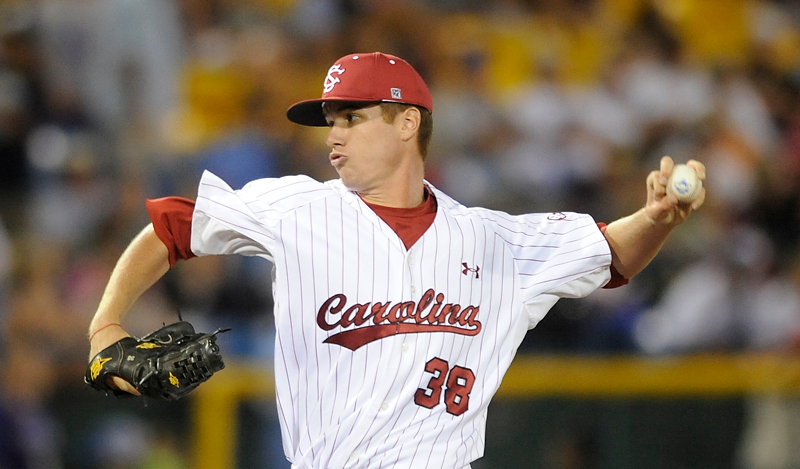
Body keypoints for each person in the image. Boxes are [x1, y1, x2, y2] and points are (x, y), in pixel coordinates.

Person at [87, 51, 706, 468]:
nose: (333, 136)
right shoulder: (299, 208)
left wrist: (656, 218)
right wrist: (104, 326)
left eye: (352, 119)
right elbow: (170, 227)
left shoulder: (495, 241)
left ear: (408, 122)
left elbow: (612, 253)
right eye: (331, 121)